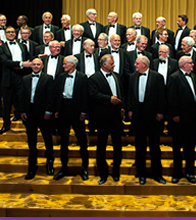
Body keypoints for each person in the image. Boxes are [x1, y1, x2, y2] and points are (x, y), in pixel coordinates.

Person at [128, 56, 166, 185]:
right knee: (140, 147)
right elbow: (130, 95)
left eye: (137, 63)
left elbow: (162, 96)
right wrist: (130, 110)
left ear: (144, 64)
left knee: (155, 147)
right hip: (138, 116)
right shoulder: (132, 77)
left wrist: (161, 112)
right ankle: (141, 174)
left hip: (153, 117)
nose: (135, 65)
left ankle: (157, 174)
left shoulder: (157, 77)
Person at [88, 54, 125, 185]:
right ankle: (103, 174)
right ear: (104, 65)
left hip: (116, 116)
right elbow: (93, 95)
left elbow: (120, 92)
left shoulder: (116, 75)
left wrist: (122, 107)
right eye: (111, 63)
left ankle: (116, 172)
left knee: (117, 145)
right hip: (102, 116)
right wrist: (109, 99)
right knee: (101, 145)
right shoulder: (94, 78)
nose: (114, 65)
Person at [53, 56, 89, 181]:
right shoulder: (60, 77)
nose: (63, 66)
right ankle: (64, 168)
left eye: (65, 64)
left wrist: (84, 111)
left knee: (82, 140)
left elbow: (85, 95)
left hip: (77, 110)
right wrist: (57, 110)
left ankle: (84, 168)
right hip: (63, 109)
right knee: (63, 141)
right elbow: (56, 95)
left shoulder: (82, 77)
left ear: (72, 64)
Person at [20, 58, 55, 180]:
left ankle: (50, 164)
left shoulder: (48, 78)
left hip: (44, 113)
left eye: (38, 64)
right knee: (31, 141)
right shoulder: (25, 79)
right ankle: (32, 167)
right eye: (34, 64)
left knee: (47, 140)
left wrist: (49, 111)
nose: (35, 66)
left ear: (42, 66)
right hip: (29, 114)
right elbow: (22, 96)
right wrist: (22, 111)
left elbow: (51, 96)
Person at [167, 56, 196, 184]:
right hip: (179, 120)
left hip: (192, 119)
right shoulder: (174, 77)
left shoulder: (194, 76)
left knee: (190, 148)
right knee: (177, 148)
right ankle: (177, 173)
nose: (193, 65)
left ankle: (189, 172)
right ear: (183, 65)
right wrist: (175, 114)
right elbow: (171, 98)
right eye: (190, 63)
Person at [0, 26, 31, 134]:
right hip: (8, 77)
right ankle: (6, 125)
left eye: (12, 32)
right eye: (8, 32)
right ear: (5, 34)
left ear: (16, 34)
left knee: (23, 101)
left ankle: (27, 125)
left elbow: (28, 58)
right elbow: (5, 62)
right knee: (7, 103)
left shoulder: (23, 46)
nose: (11, 34)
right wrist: (21, 63)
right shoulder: (1, 48)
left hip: (21, 76)